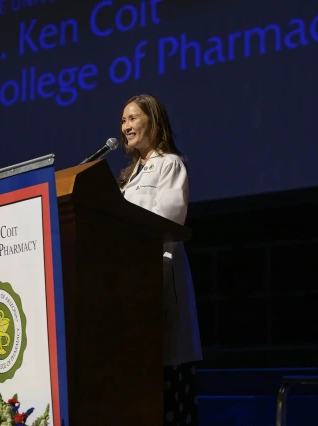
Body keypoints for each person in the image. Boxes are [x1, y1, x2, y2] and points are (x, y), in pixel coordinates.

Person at [119, 94, 203, 426]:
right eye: (123, 120)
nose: (126, 126)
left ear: (154, 122)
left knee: (167, 374)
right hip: (130, 282)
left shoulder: (170, 164)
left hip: (158, 276)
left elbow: (169, 220)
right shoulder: (129, 175)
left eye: (133, 118)